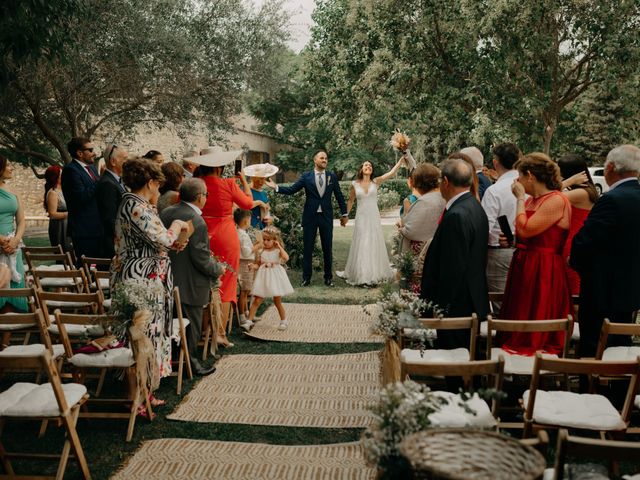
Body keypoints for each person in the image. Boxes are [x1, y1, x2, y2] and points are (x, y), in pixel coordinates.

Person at [111, 157, 188, 408]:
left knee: (148, 334)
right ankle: (135, 397)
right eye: (157, 184)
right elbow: (163, 238)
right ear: (150, 182)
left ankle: (145, 392)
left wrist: (171, 242)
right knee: (140, 334)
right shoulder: (135, 205)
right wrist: (176, 226)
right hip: (141, 278)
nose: (158, 189)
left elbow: (156, 242)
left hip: (148, 274)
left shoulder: (140, 205)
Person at [570, 145, 640, 360]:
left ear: (610, 167)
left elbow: (585, 241)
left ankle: (590, 391)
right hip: (631, 288)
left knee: (593, 347)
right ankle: (620, 390)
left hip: (602, 288)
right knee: (620, 347)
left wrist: (577, 265)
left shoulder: (611, 200)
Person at [499, 153, 572, 355]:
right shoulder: (533, 201)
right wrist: (513, 240)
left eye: (519, 177)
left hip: (544, 268)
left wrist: (520, 198)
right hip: (525, 265)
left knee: (538, 317)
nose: (516, 182)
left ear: (530, 176)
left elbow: (526, 229)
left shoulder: (556, 200)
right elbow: (525, 234)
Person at [195, 146, 263, 348]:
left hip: (200, 233)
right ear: (220, 166)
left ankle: (201, 331)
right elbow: (248, 204)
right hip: (224, 236)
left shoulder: (193, 184)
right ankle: (219, 333)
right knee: (225, 284)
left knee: (201, 281)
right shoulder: (228, 184)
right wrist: (242, 181)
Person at [421, 157, 489, 349]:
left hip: (458, 306)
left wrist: (443, 308)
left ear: (446, 182)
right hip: (471, 299)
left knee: (455, 361)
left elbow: (453, 267)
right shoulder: (475, 206)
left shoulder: (457, 215)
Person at [160, 178, 224, 376]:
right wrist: (218, 269)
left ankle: (169, 358)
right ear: (199, 197)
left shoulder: (166, 212)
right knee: (192, 323)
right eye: (206, 194)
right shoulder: (197, 221)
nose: (206, 198)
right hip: (190, 281)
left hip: (166, 276)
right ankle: (191, 361)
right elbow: (201, 258)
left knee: (169, 321)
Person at [266, 149, 348, 287]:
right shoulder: (306, 176)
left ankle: (328, 278)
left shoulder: (331, 177)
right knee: (307, 248)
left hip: (326, 217)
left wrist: (344, 214)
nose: (324, 160)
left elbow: (339, 196)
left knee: (327, 247)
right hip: (310, 217)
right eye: (321, 158)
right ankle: (306, 278)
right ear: (315, 160)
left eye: (326, 158)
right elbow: (292, 190)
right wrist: (276, 187)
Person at [338, 158, 404, 286]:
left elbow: (390, 174)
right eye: (366, 165)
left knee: (372, 241)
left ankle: (373, 272)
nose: (368, 166)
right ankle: (362, 274)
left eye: (370, 165)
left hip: (373, 217)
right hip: (361, 217)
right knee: (363, 242)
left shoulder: (376, 182)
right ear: (362, 169)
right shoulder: (355, 184)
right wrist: (345, 215)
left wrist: (401, 161)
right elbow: (351, 201)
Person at [481, 143, 521, 301]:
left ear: (496, 163)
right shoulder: (528, 185)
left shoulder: (495, 190)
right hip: (526, 249)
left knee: (501, 306)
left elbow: (485, 226)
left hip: (499, 253)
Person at [557, 154, 598, 296]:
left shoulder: (581, 193)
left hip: (572, 245)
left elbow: (549, 197)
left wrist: (568, 182)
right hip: (571, 242)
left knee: (574, 291)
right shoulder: (584, 191)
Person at [61, 137, 104, 262]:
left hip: (98, 227)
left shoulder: (92, 169)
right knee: (87, 267)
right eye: (90, 150)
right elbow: (81, 197)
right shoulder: (71, 170)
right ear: (79, 153)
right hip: (84, 229)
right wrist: (100, 180)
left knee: (100, 267)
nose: (94, 153)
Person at [247, 226, 294, 330]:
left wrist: (280, 247)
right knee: (257, 300)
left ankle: (284, 321)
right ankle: (249, 321)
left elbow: (286, 258)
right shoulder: (261, 251)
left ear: (275, 240)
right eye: (264, 239)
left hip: (275, 278)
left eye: (268, 240)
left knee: (277, 301)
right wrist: (252, 266)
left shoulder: (277, 250)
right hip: (263, 279)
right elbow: (258, 264)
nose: (266, 242)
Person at [397, 163, 444, 256]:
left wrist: (401, 229)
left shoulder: (423, 201)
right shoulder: (443, 197)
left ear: (418, 183)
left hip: (423, 254)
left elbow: (411, 231)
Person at [0, 155, 28, 313]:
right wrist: (1, 240)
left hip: (13, 246)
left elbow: (22, 220)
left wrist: (15, 240)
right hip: (2, 243)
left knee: (14, 292)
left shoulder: (13, 191)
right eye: (8, 165)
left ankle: (6, 338)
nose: (12, 168)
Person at [97, 144, 128, 259]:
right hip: (113, 244)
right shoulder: (107, 184)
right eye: (124, 159)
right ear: (113, 161)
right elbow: (109, 218)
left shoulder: (117, 181)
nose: (127, 162)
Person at [234, 209, 262, 331]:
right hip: (245, 264)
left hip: (245, 263)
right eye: (250, 219)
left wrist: (254, 244)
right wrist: (258, 246)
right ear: (246, 221)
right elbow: (246, 252)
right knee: (244, 291)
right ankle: (242, 316)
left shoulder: (240, 232)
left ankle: (246, 313)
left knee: (246, 291)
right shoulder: (243, 234)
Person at [43, 165, 71, 252]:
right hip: (59, 227)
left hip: (68, 225)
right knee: (63, 253)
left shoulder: (64, 190)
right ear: (56, 177)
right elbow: (52, 214)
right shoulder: (53, 193)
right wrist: (70, 214)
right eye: (62, 174)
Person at [244, 163, 279, 229]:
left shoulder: (263, 193)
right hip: (249, 225)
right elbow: (243, 205)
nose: (261, 183)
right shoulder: (246, 189)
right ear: (253, 178)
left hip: (262, 227)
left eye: (263, 180)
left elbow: (267, 210)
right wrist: (259, 202)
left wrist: (270, 219)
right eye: (258, 180)